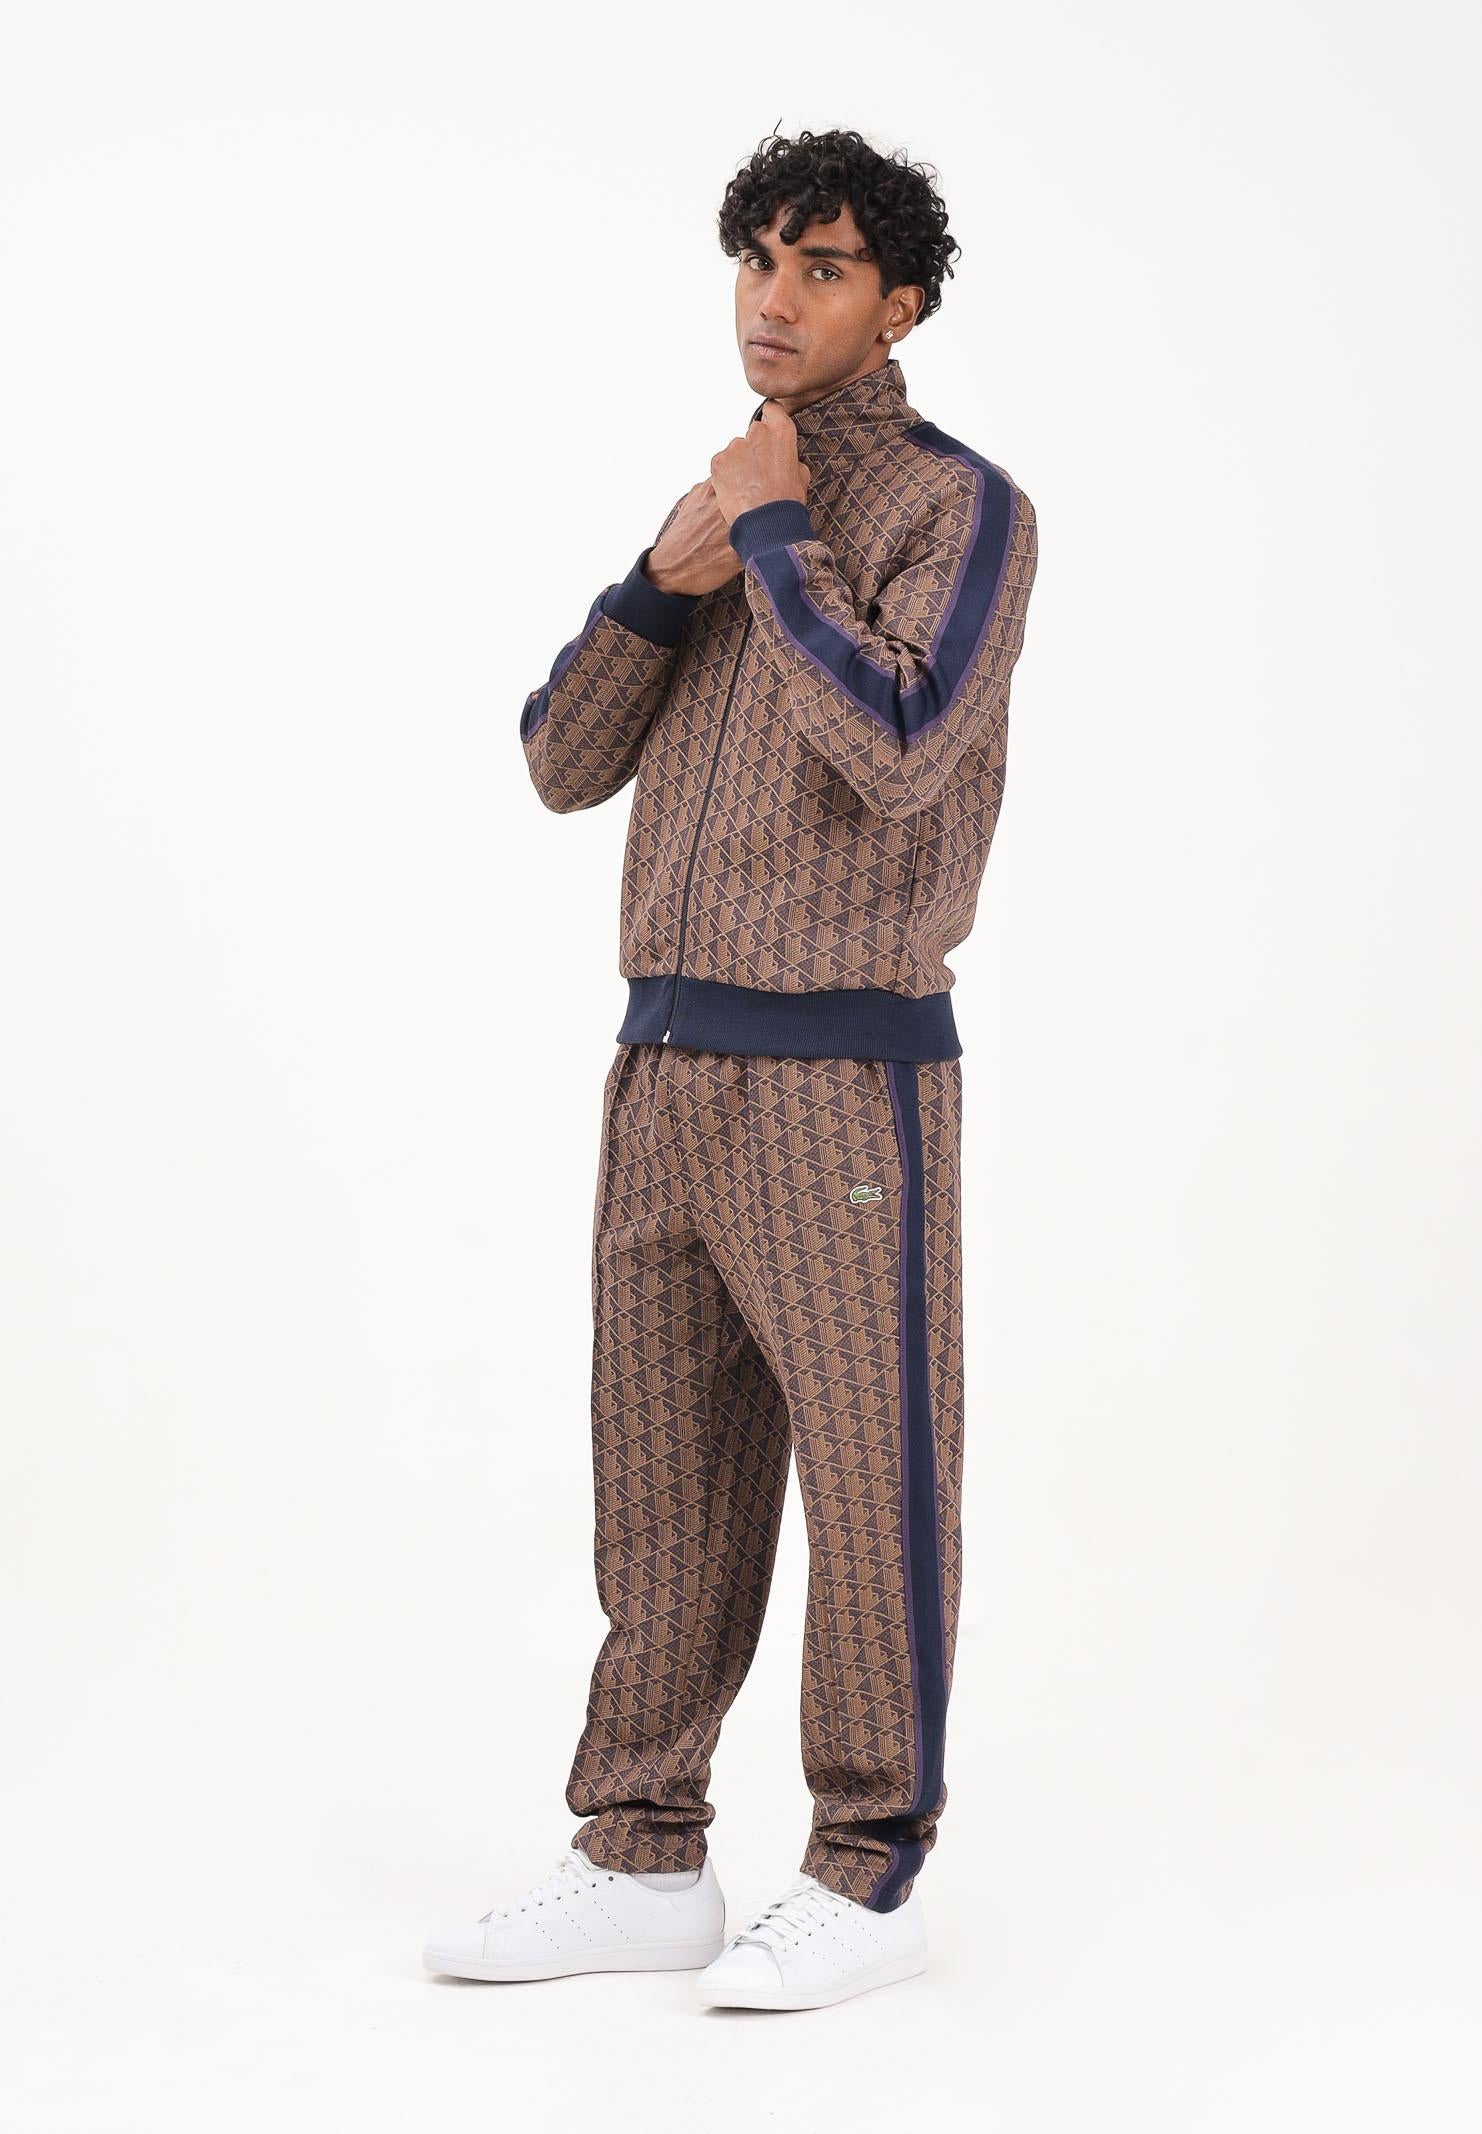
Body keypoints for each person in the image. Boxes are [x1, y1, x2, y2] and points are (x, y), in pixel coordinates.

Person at [423, 124, 1038, 2012]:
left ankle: (867, 1868)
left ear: (897, 304)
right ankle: (639, 1851)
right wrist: (660, 572)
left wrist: (771, 537)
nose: (775, 298)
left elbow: (902, 746)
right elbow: (558, 760)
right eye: (758, 260)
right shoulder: (722, 505)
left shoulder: (957, 507)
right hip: (665, 1064)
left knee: (872, 1478)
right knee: (660, 1482)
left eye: (821, 266)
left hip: (842, 1081)